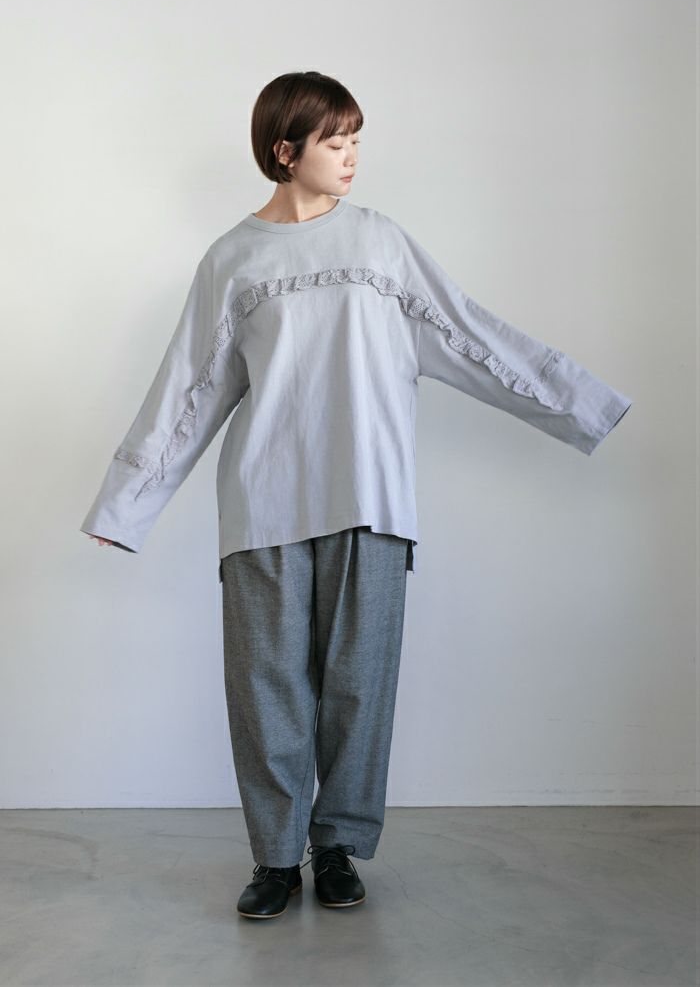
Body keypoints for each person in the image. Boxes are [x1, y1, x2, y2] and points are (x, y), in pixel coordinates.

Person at [81, 70, 633, 920]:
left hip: (370, 496)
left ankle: (336, 846)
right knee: (266, 689)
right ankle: (275, 858)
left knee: (358, 688)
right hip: (264, 501)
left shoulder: (379, 243)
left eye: (355, 139)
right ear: (285, 150)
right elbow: (190, 388)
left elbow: (468, 336)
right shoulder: (233, 259)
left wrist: (581, 404)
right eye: (335, 141)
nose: (351, 156)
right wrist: (127, 504)